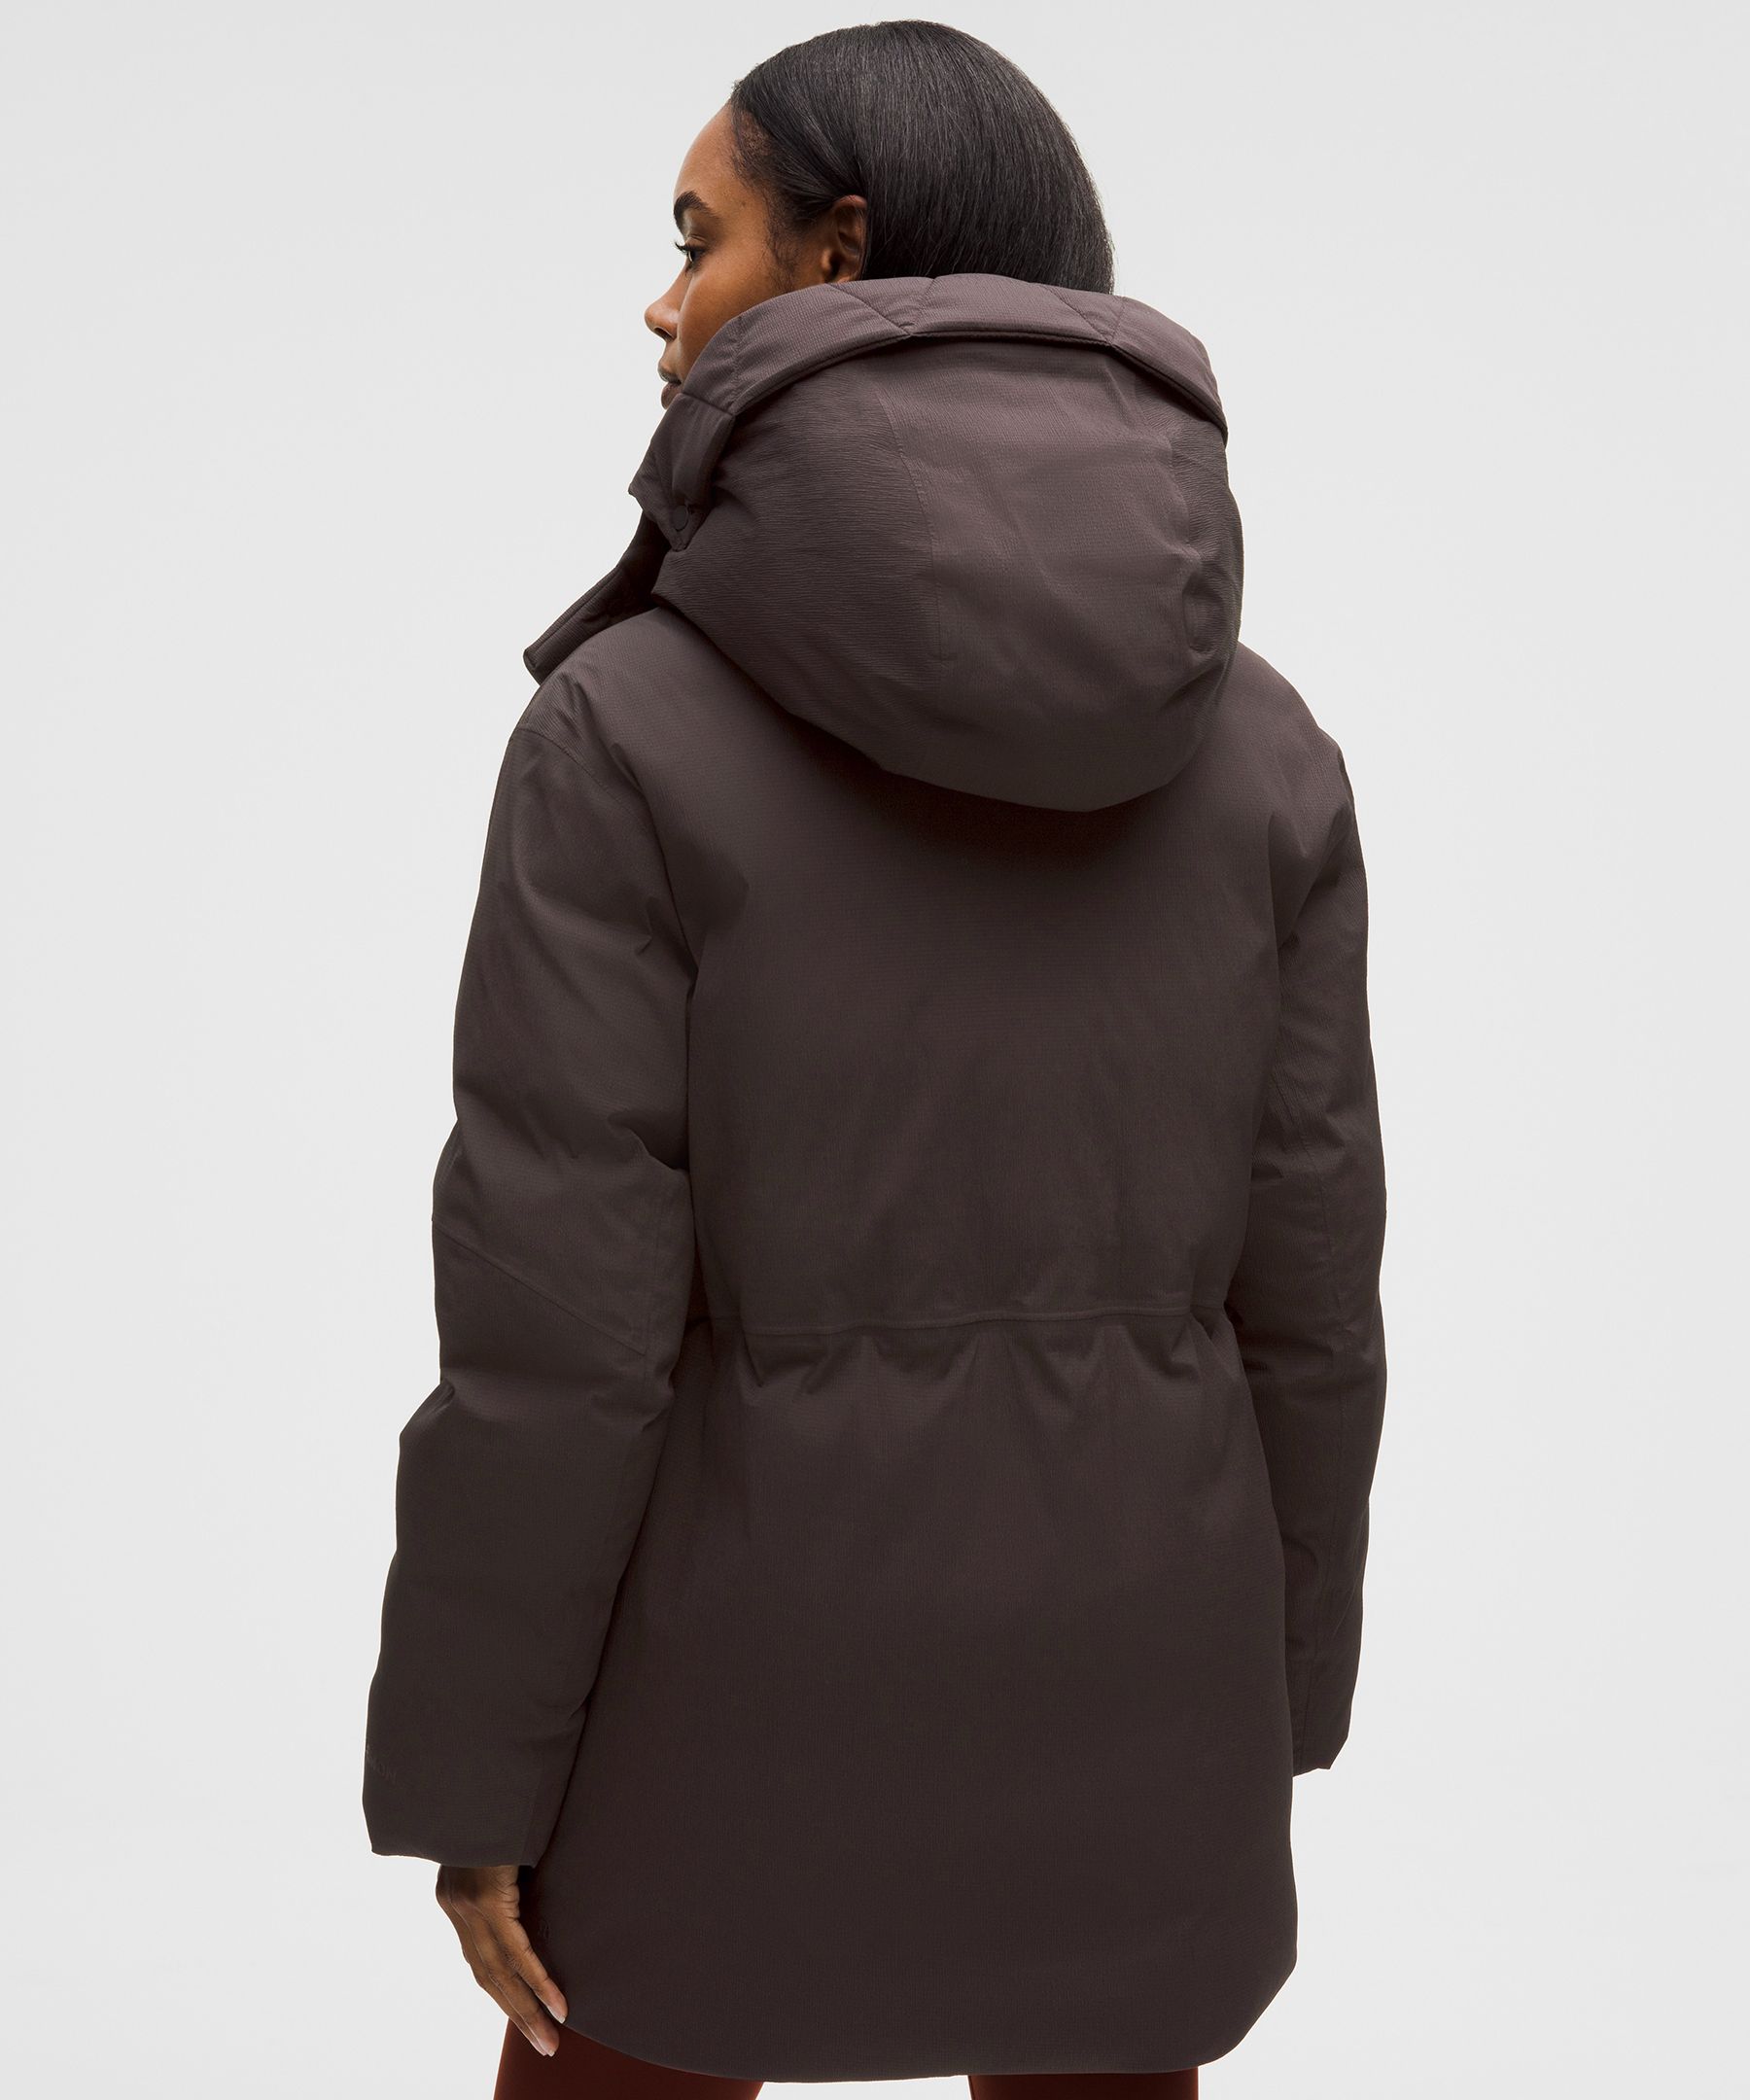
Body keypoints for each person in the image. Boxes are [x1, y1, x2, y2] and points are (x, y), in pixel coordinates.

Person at [363, 21, 1388, 2100]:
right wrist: (1265, 1711)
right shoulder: (1263, 744)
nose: (662, 304)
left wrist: (474, 1777)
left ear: (836, 255)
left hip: (710, 1741)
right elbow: (1310, 1305)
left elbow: (555, 1340)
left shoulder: (622, 733)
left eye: (696, 238)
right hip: (1139, 1705)